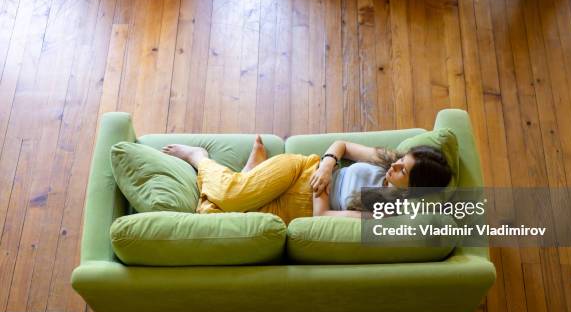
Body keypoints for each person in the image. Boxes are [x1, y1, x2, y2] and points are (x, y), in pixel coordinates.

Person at [162, 135, 452, 224]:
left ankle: (250, 172)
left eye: (404, 170)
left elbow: (322, 215)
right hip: (301, 172)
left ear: (415, 189)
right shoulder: (388, 160)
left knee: (211, 216)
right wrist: (326, 167)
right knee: (230, 196)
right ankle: (199, 158)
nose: (396, 164)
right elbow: (342, 145)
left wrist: (321, 188)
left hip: (301, 208)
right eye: (402, 159)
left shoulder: (387, 215)